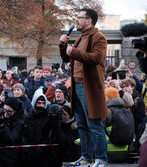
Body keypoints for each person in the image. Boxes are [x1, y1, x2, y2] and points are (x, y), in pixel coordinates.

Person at [59, 8, 108, 167]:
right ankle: (86, 158)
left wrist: (74, 51)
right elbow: (69, 57)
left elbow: (96, 58)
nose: (76, 20)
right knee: (81, 125)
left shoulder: (98, 37)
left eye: (79, 18)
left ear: (89, 20)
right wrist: (63, 45)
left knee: (94, 125)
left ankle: (100, 160)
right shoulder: (80, 37)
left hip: (89, 87)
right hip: (76, 85)